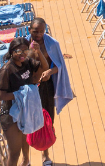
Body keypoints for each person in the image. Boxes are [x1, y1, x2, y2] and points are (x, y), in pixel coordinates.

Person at [29, 18, 73, 166]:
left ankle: (45, 155)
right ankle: (25, 157)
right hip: (29, 87)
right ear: (30, 30)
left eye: (41, 31)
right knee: (26, 119)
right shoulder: (24, 45)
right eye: (35, 31)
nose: (39, 34)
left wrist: (49, 71)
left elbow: (59, 66)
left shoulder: (52, 44)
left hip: (46, 87)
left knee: (47, 119)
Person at [0, 37, 43, 166]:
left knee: (24, 138)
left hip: (22, 109)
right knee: (14, 153)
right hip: (10, 115)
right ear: (12, 51)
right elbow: (1, 95)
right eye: (18, 51)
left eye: (25, 51)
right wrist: (22, 95)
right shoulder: (6, 70)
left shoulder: (25, 62)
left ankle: (25, 162)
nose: (22, 54)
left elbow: (42, 69)